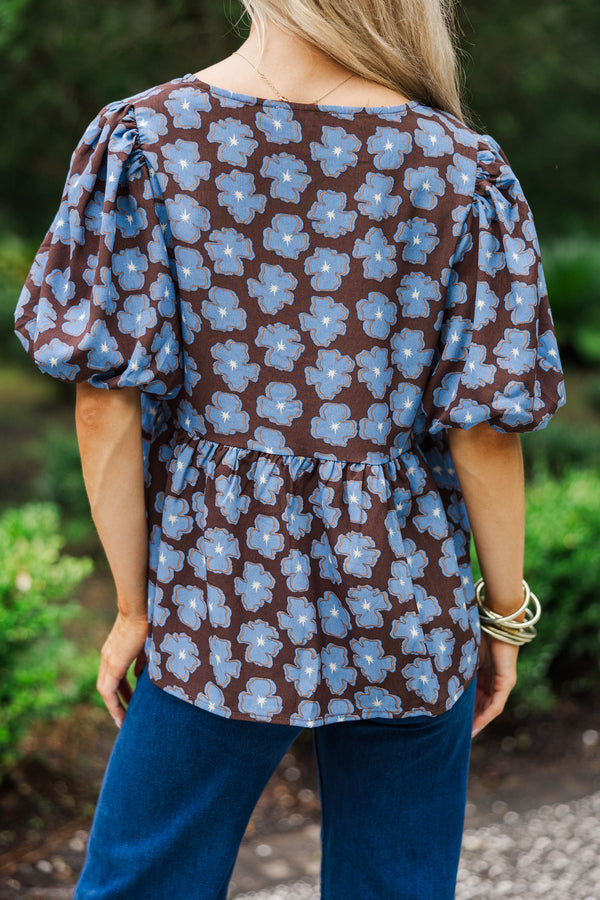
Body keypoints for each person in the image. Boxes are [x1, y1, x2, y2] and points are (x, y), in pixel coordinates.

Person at [14, 0, 566, 896]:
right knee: (397, 885)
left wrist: (132, 607)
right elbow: (484, 434)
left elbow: (101, 405)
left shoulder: (146, 139)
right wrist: (503, 614)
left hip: (216, 593)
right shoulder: (462, 168)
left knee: (141, 880)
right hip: (407, 591)